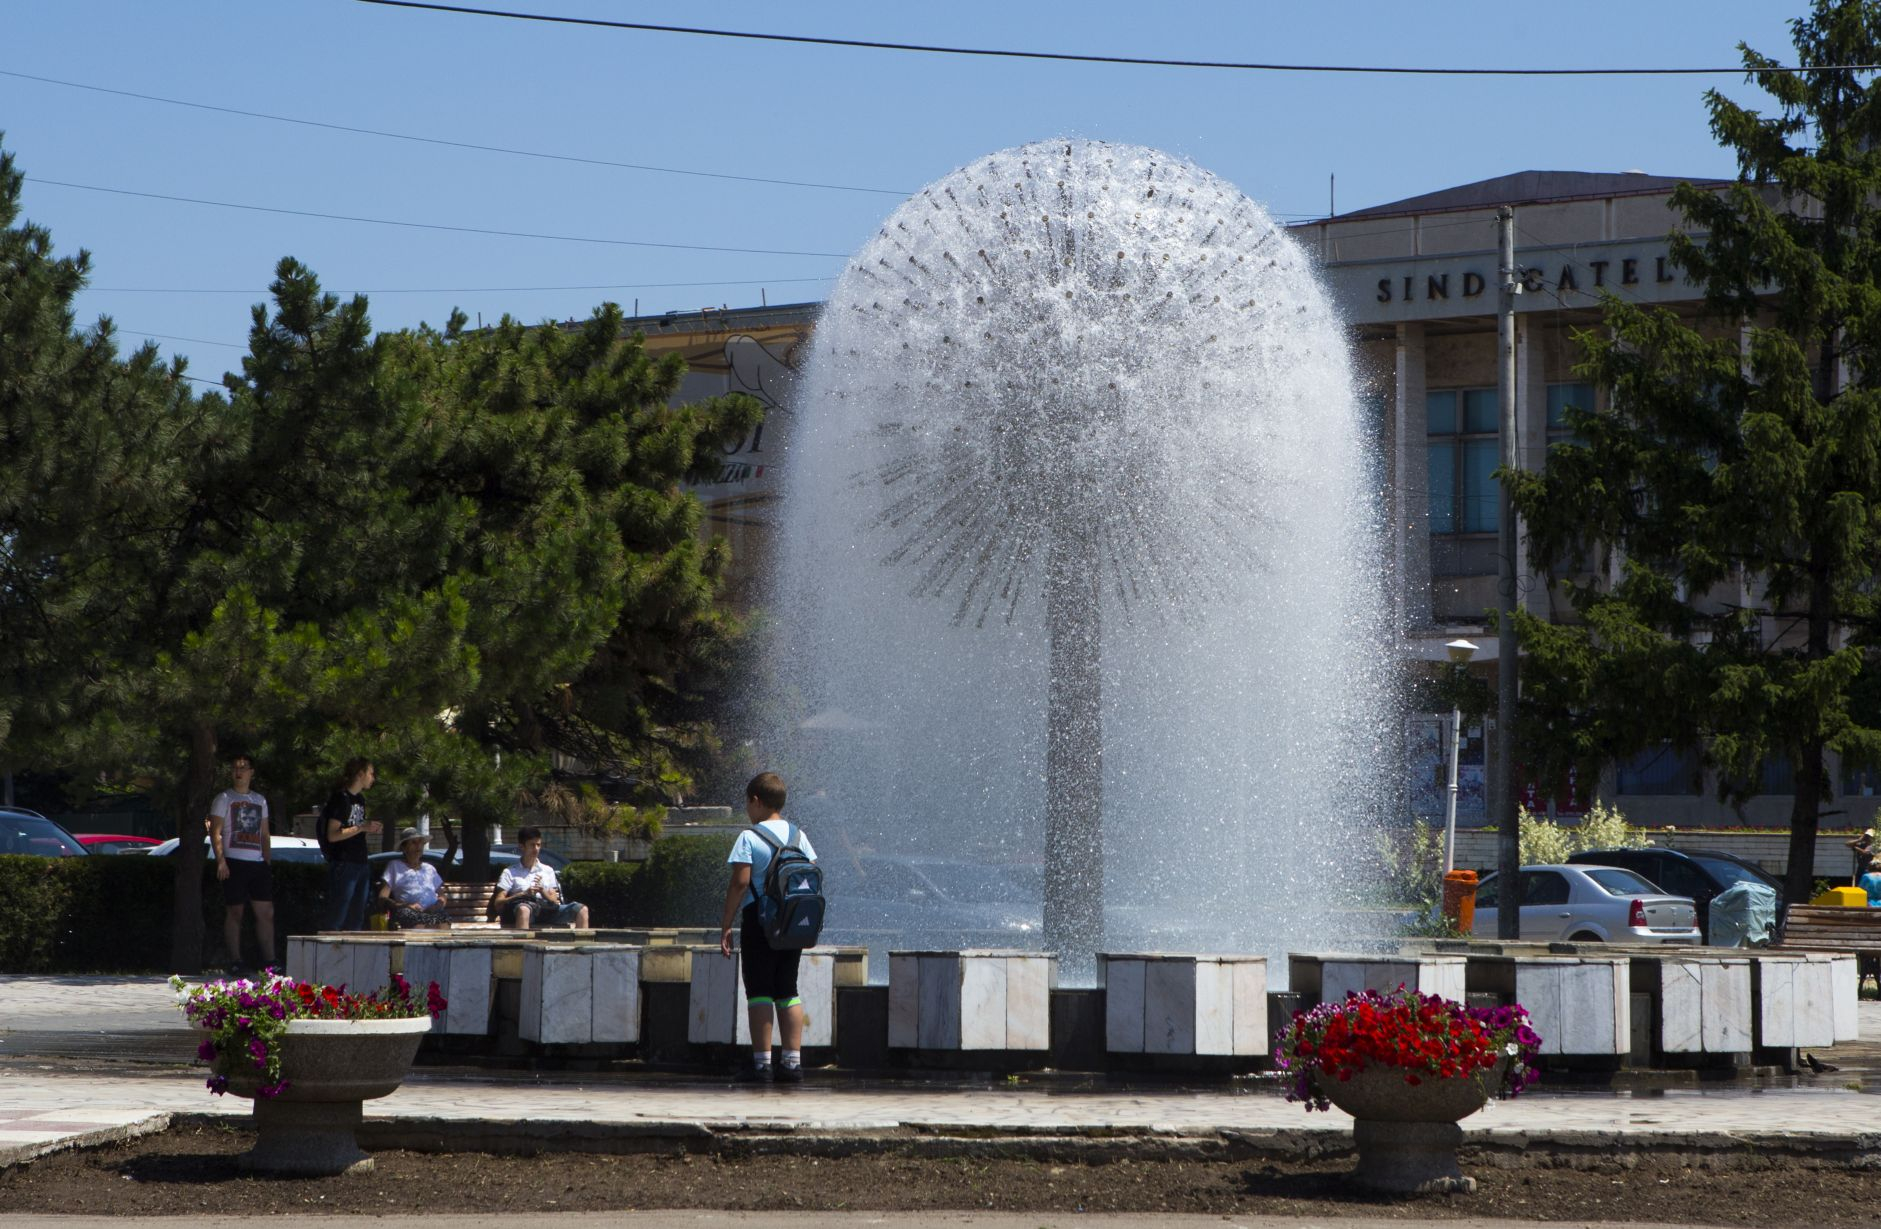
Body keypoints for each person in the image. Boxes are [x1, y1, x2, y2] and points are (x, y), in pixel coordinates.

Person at [719, 771, 816, 1084]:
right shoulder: (799, 836)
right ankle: (792, 1064)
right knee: (788, 989)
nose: (748, 810)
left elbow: (740, 882)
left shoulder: (749, 837)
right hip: (792, 923)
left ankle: (762, 1065)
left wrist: (726, 924)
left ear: (756, 801)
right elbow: (810, 873)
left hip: (759, 922)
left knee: (760, 991)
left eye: (748, 804)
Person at [207, 754, 274, 974]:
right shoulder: (224, 798)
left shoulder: (260, 800)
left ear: (251, 772)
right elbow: (215, 832)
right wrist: (221, 861)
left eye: (243, 768)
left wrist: (266, 860)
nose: (239, 772)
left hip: (257, 863)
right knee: (235, 911)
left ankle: (270, 961)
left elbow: (264, 834)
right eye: (235, 768)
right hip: (233, 862)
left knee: (265, 912)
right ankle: (235, 960)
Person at [319, 757, 382, 931]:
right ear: (360, 774)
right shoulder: (341, 798)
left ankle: (352, 946)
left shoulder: (360, 799)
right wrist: (362, 827)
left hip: (361, 861)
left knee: (357, 914)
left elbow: (356, 829)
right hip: (344, 862)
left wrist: (367, 828)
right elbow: (332, 835)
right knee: (339, 912)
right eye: (371, 773)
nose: (373, 778)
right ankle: (330, 946)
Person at [493, 827, 588, 928]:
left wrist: (542, 890)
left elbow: (554, 900)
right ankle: (523, 939)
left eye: (538, 845)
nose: (536, 849)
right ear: (522, 846)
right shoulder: (510, 872)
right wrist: (522, 895)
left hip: (546, 910)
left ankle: (583, 939)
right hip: (526, 910)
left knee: (582, 909)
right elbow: (498, 903)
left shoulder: (547, 870)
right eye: (532, 845)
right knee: (524, 909)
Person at [379, 827, 449, 929]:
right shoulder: (394, 866)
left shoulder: (429, 868)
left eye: (420, 842)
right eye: (413, 842)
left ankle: (442, 938)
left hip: (433, 911)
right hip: (408, 911)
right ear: (404, 848)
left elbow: (442, 895)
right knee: (416, 919)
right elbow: (382, 898)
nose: (418, 846)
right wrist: (406, 906)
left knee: (443, 919)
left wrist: (437, 905)